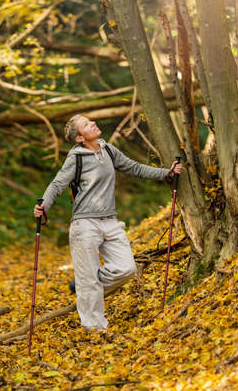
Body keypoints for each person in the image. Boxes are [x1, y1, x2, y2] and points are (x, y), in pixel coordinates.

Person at [34, 114, 183, 331]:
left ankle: (86, 286)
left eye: (91, 121)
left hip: (110, 221)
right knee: (89, 282)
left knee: (127, 269)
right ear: (79, 138)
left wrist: (165, 174)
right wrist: (43, 206)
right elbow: (57, 184)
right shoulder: (75, 158)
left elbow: (135, 168)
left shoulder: (108, 149)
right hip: (85, 224)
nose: (93, 123)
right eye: (86, 124)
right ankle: (95, 330)